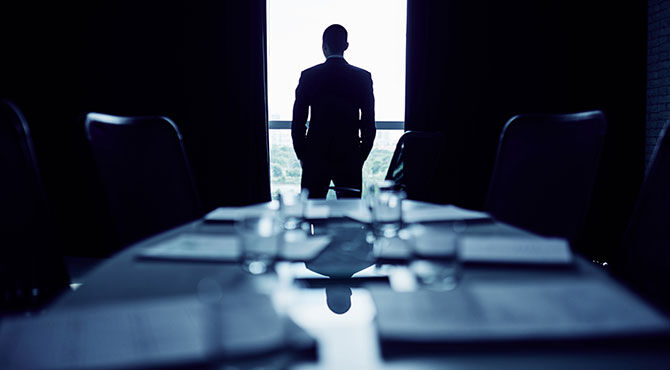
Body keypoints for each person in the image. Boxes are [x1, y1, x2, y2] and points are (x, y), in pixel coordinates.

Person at [291, 24, 375, 198]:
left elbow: (298, 120)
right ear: (346, 45)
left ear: (323, 46)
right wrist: (360, 156)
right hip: (349, 154)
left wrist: (302, 154)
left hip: (315, 155)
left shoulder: (309, 76)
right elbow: (368, 121)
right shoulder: (362, 77)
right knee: (350, 216)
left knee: (311, 214)